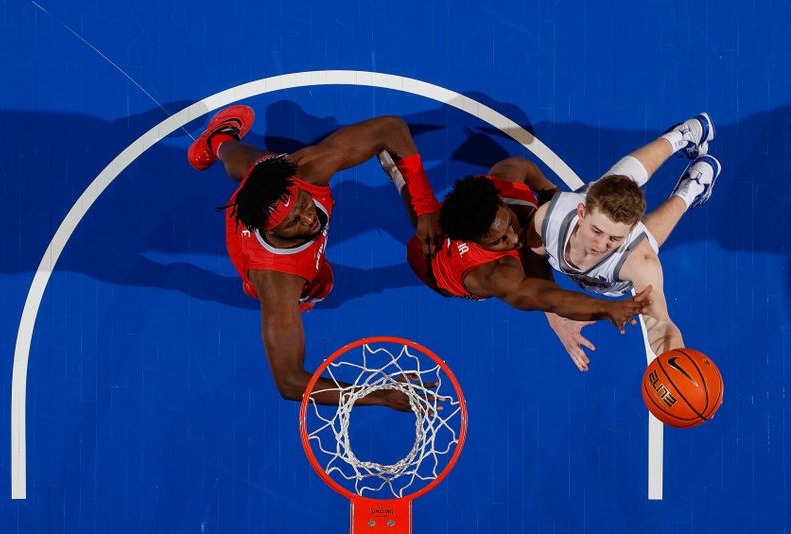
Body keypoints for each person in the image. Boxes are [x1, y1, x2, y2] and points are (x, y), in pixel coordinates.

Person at [188, 105, 443, 409]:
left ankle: (218, 139)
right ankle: (219, 142)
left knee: (260, 163)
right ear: (273, 231)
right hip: (263, 261)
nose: (309, 219)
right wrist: (379, 395)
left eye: (304, 205)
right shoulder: (278, 282)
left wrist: (425, 206)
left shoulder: (302, 171)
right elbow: (289, 382)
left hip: (271, 179)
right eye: (294, 223)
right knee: (320, 286)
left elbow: (390, 127)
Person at [380, 152, 655, 354]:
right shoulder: (496, 274)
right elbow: (546, 296)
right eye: (499, 240)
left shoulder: (506, 179)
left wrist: (557, 200)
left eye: (509, 223)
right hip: (434, 271)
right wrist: (607, 308)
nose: (513, 238)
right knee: (422, 229)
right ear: (477, 240)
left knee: (430, 216)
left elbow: (525, 168)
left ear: (499, 199)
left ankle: (402, 180)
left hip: (455, 223)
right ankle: (400, 179)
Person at [527, 113, 721, 370]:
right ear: (582, 213)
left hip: (619, 274)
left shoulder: (640, 261)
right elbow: (533, 262)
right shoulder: (549, 219)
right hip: (591, 215)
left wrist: (675, 364)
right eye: (596, 231)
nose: (602, 244)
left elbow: (661, 324)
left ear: (631, 229)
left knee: (649, 241)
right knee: (613, 184)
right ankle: (681, 136)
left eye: (615, 238)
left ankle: (691, 189)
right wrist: (555, 318)